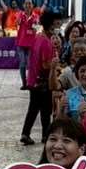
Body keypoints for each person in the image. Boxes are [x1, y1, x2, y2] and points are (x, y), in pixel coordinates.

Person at [20, 10, 61, 146]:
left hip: (33, 79)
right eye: (57, 24)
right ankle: (45, 135)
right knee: (46, 109)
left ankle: (26, 133)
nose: (59, 27)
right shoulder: (46, 42)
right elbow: (45, 64)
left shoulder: (38, 37)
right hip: (43, 80)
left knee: (33, 108)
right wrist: (55, 66)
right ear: (51, 25)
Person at [59, 55, 86, 121]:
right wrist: (61, 110)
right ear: (77, 74)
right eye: (82, 71)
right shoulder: (69, 94)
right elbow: (61, 122)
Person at [14, 0, 40, 88]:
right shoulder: (19, 14)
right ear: (23, 5)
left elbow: (37, 28)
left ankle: (30, 82)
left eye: (29, 3)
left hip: (31, 44)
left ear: (32, 5)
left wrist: (36, 26)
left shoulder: (36, 16)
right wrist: (19, 19)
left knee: (30, 64)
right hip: (21, 43)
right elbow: (17, 23)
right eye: (26, 3)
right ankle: (24, 83)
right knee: (22, 63)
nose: (28, 5)